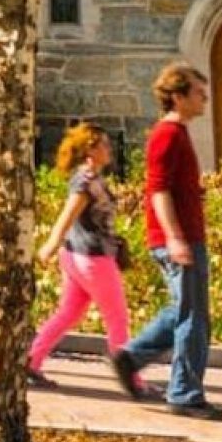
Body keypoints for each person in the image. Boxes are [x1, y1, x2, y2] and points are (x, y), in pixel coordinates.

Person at [112, 63, 222, 420]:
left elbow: (171, 188)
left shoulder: (178, 133)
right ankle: (185, 393)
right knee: (194, 318)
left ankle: (131, 356)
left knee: (183, 310)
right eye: (198, 92)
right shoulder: (167, 134)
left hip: (186, 236)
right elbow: (157, 190)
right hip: (179, 240)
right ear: (177, 97)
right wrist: (176, 239)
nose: (205, 97)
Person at [26, 122, 151, 393]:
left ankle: (30, 361)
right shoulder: (85, 182)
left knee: (69, 313)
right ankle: (132, 380)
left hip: (77, 256)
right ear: (90, 151)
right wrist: (50, 243)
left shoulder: (91, 178)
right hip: (92, 259)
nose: (109, 149)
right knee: (117, 317)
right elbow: (68, 214)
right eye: (104, 144)